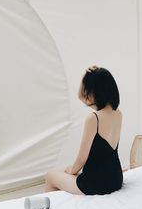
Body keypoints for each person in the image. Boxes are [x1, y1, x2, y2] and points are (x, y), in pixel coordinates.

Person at [44, 65, 123, 195]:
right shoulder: (118, 114)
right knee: (66, 173)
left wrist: (72, 171)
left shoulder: (94, 118)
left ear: (94, 92)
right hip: (115, 179)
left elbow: (82, 158)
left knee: (51, 176)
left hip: (96, 183)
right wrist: (96, 75)